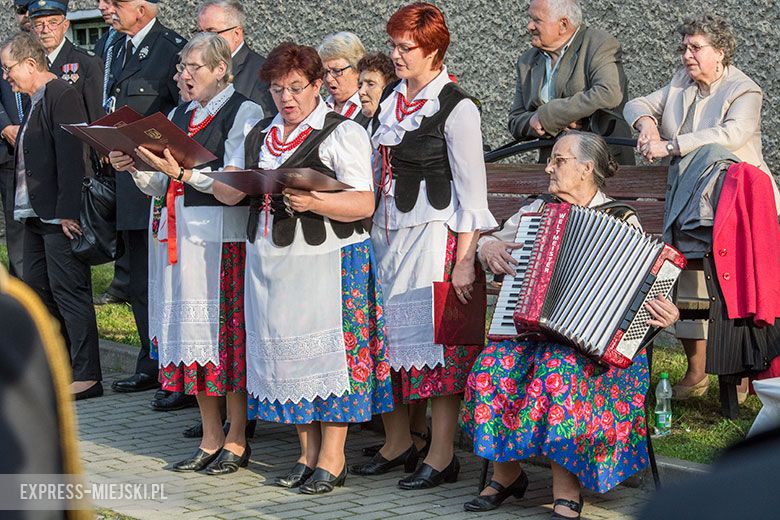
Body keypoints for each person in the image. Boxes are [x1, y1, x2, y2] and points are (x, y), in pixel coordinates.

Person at [461, 131, 680, 517]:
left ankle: (567, 491)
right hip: (533, 335)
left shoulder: (620, 220)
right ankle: (506, 476)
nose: (549, 167)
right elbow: (490, 244)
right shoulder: (535, 212)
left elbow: (645, 295)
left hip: (597, 352)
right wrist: (487, 247)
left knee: (556, 371)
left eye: (558, 161)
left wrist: (667, 313)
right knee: (489, 369)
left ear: (586, 169)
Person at [352, 3, 497, 490]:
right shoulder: (393, 99)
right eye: (393, 45)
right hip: (384, 236)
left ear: (433, 50)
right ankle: (398, 443)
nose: (395, 54)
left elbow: (473, 196)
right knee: (387, 342)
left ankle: (440, 454)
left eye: (405, 47)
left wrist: (463, 262)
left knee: (435, 348)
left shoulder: (458, 106)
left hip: (433, 236)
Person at [241, 42, 393, 494]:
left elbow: (365, 202)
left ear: (315, 86)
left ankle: (333, 458)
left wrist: (315, 202)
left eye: (295, 88)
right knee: (291, 359)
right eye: (277, 89)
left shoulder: (342, 131)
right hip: (273, 260)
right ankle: (306, 455)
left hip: (328, 260)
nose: (286, 98)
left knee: (331, 357)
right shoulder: (261, 134)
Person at [109, 33, 262, 474]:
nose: (184, 76)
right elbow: (165, 184)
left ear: (221, 69)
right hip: (179, 242)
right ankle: (209, 437)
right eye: (181, 68)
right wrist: (140, 168)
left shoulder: (244, 111)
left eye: (194, 67)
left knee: (225, 340)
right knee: (193, 341)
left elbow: (234, 180)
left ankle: (236, 438)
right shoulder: (178, 114)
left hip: (221, 241)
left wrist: (182, 172)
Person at [623, 13, 777, 402]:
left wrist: (671, 146)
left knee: (731, 286)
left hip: (739, 209)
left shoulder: (745, 89)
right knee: (685, 274)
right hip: (690, 208)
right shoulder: (680, 82)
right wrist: (647, 126)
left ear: (720, 52)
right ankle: (696, 373)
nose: (687, 55)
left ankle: (741, 369)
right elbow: (636, 103)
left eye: (696, 48)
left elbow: (731, 135)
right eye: (684, 47)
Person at [1, 31, 102, 400]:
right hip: (33, 214)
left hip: (58, 216)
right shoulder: (34, 99)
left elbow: (73, 155)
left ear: (30, 63)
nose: (6, 77)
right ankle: (57, 365)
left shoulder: (62, 93)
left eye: (9, 69)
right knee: (38, 290)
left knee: (69, 291)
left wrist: (67, 211)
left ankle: (88, 375)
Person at [104, 0, 186, 402]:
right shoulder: (113, 46)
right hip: (125, 177)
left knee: (159, 282)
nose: (106, 8)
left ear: (142, 7)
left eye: (114, 2)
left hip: (155, 180)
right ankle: (149, 361)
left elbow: (180, 116)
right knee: (138, 280)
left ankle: (168, 367)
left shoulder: (170, 48)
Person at [507, 0, 633, 164]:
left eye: (537, 20)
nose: (529, 26)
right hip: (552, 167)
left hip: (601, 165)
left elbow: (609, 93)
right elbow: (515, 120)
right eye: (530, 19)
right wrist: (533, 122)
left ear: (563, 25)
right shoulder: (527, 61)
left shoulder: (598, 44)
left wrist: (551, 115)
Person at [92, 0, 131, 307]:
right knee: (115, 215)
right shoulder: (107, 41)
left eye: (112, 1)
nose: (103, 7)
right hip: (108, 142)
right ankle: (121, 277)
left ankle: (128, 280)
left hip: (134, 149)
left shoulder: (163, 44)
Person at [28, 0, 104, 123]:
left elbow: (97, 118)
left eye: (53, 23)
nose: (45, 30)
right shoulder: (30, 64)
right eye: (38, 25)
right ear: (32, 29)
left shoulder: (87, 63)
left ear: (65, 26)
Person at [197, 0, 274, 117]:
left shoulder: (263, 74)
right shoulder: (194, 68)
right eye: (199, 33)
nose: (203, 40)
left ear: (237, 34)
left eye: (211, 33)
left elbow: (260, 124)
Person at [0, 1, 31, 279]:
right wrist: (4, 126)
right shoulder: (6, 50)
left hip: (46, 152)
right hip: (9, 152)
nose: (28, 16)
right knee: (17, 225)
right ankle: (21, 284)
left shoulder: (55, 57)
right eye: (22, 10)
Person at [318, 31, 369, 126]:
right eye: (325, 72)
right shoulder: (320, 109)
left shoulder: (370, 109)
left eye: (336, 71)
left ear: (357, 69)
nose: (328, 79)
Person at [356, 52, 396, 120]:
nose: (361, 92)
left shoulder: (399, 127)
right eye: (360, 86)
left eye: (370, 84)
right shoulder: (356, 124)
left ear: (389, 88)